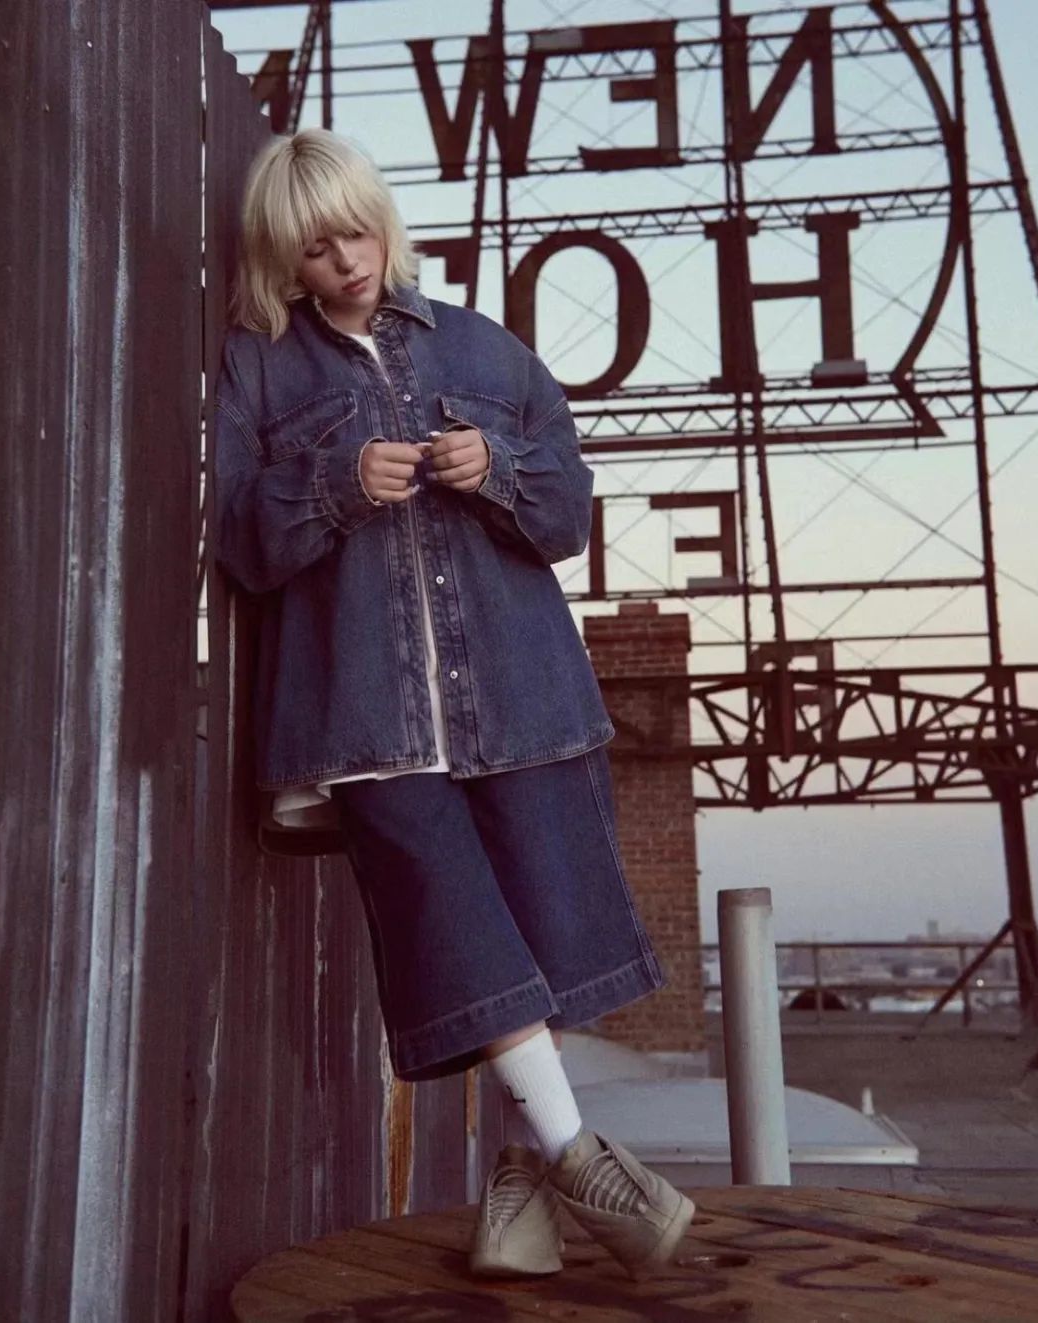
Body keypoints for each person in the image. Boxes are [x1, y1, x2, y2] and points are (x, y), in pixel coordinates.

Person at [212, 126, 694, 1280]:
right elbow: (239, 540)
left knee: (537, 936)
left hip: (521, 696)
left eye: (355, 233)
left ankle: (526, 1185)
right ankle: (582, 1159)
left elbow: (568, 518)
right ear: (284, 258)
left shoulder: (487, 349)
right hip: (365, 719)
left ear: (384, 221)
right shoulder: (259, 367)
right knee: (458, 930)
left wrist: (501, 473)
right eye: (315, 248)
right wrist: (332, 484)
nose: (345, 261)